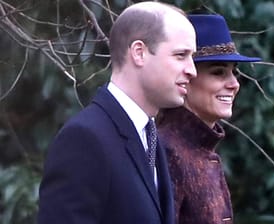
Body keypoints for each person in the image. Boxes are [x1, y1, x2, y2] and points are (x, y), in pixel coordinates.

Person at [37, 2, 197, 224]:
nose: (192, 70)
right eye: (181, 55)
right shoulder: (85, 139)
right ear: (139, 53)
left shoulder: (149, 136)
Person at [157, 14, 261, 224]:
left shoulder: (201, 151)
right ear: (185, 77)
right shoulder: (166, 151)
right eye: (218, 73)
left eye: (234, 73)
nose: (234, 84)